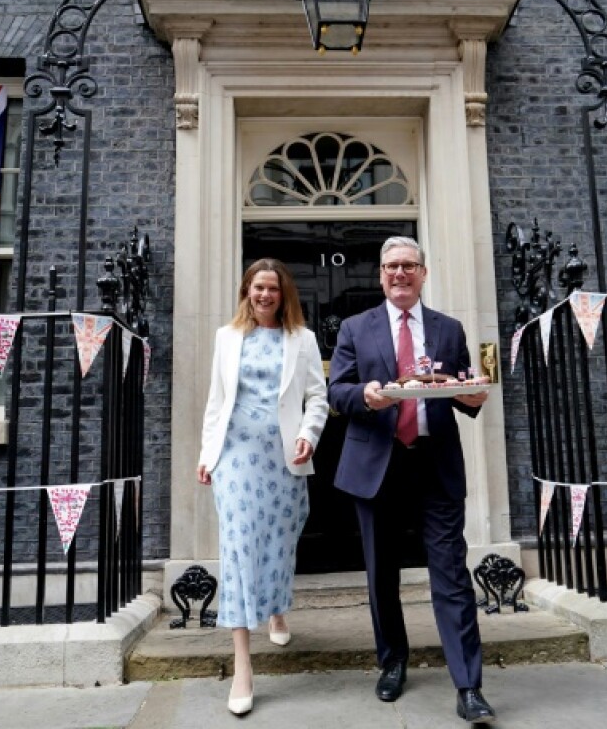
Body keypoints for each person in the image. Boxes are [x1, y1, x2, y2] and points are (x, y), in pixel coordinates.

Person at [327, 236, 496, 725]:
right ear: (380, 275)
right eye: (391, 267)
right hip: (376, 465)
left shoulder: (449, 328)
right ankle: (392, 661)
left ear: (423, 273)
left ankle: (468, 685)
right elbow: (337, 391)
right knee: (382, 574)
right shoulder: (357, 328)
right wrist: (368, 395)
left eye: (409, 266)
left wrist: (472, 397)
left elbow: (465, 388)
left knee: (451, 575)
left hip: (434, 463)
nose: (399, 274)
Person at [197, 258, 329, 717]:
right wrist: (206, 453)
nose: (264, 295)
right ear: (246, 292)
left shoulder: (303, 339)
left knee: (278, 540)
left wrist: (308, 436)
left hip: (283, 458)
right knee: (237, 547)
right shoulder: (227, 337)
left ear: (283, 293)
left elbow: (318, 397)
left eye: (272, 288)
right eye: (257, 288)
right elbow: (217, 399)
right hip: (235, 455)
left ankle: (276, 609)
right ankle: (243, 665)